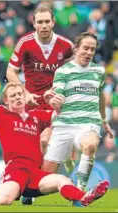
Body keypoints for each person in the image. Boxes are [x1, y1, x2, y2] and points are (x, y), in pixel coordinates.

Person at [6, 4, 75, 204]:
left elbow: (75, 70)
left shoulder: (65, 45)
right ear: (34, 23)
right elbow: (11, 72)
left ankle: (33, 189)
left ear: (53, 22)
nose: (44, 25)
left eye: (47, 21)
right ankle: (32, 188)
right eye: (40, 22)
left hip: (54, 103)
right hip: (31, 102)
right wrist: (24, 93)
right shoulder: (25, 43)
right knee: (33, 149)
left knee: (45, 140)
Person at [42, 32, 114, 204]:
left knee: (90, 145)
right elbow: (56, 102)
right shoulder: (63, 71)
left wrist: (104, 121)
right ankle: (66, 157)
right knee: (43, 181)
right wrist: (51, 100)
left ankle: (80, 193)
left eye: (92, 49)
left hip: (89, 123)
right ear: (76, 49)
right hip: (64, 125)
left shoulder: (99, 71)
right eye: (86, 48)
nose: (89, 52)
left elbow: (101, 96)